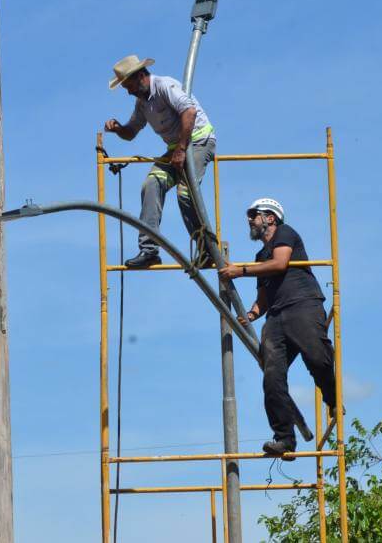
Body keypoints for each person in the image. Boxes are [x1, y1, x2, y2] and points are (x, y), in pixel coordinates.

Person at [219, 197, 337, 455]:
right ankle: (284, 438)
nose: (250, 219)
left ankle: (333, 398)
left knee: (318, 359)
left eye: (254, 214)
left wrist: (241, 270)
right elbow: (263, 298)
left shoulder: (285, 233)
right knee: (272, 378)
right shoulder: (260, 255)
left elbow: (280, 263)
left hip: (302, 305)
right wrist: (251, 314)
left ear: (270, 218)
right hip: (276, 317)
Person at [104, 54, 216, 268]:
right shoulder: (142, 103)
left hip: (198, 140)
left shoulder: (165, 85)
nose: (128, 92)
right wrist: (118, 128)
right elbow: (131, 132)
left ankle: (207, 249)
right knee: (152, 184)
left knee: (185, 193)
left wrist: (182, 149)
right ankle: (149, 250)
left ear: (141, 76)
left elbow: (189, 113)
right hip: (177, 149)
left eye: (129, 86)